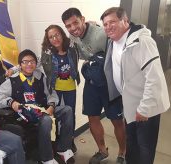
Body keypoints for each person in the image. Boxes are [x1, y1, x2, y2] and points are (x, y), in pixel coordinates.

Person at [100, 7, 170, 164]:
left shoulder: (142, 42)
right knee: (132, 145)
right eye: (105, 24)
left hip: (146, 107)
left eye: (112, 22)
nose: (108, 27)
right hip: (130, 106)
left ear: (125, 21)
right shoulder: (115, 41)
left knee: (144, 148)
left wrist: (144, 108)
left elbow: (155, 78)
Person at [62, 8, 126, 164]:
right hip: (92, 83)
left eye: (75, 22)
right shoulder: (72, 36)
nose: (73, 28)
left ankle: (123, 153)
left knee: (117, 121)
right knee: (92, 117)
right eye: (68, 26)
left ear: (83, 19)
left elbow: (119, 54)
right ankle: (102, 150)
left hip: (110, 84)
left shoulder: (101, 34)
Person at [0, 49, 75, 164]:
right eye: (25, 62)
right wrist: (11, 103)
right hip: (24, 115)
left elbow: (51, 94)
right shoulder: (12, 81)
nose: (29, 64)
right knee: (46, 119)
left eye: (32, 61)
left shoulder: (40, 77)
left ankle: (63, 149)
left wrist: (51, 105)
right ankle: (46, 158)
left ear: (36, 63)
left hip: (42, 110)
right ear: (20, 64)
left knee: (67, 110)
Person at [41, 24, 80, 152]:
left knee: (70, 115)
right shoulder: (47, 52)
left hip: (70, 88)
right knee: (55, 115)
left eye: (57, 34)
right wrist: (14, 69)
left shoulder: (72, 47)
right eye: (51, 37)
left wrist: (91, 24)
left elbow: (81, 36)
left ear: (62, 34)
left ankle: (70, 140)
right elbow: (35, 61)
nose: (55, 39)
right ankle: (56, 140)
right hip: (54, 88)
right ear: (48, 40)